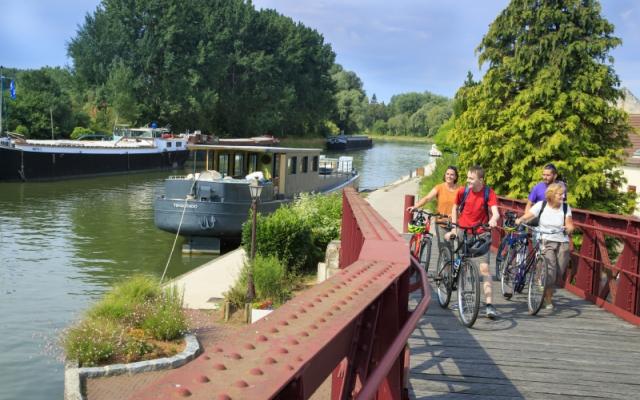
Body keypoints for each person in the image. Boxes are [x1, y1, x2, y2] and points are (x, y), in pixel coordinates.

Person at [446, 165, 500, 319]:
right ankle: (459, 295)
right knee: (461, 263)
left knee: (484, 269)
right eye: (467, 177)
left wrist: (493, 220)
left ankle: (489, 305)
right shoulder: (463, 191)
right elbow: (455, 207)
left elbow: (495, 212)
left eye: (471, 178)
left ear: (481, 180)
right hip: (463, 230)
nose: (468, 180)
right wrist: (455, 228)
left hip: (481, 232)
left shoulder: (489, 193)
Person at [515, 183, 575, 310]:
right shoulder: (541, 205)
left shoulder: (565, 207)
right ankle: (547, 298)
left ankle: (542, 282)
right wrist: (520, 220)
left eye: (563, 194)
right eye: (560, 194)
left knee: (559, 271)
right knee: (550, 271)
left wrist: (569, 229)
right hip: (545, 240)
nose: (563, 196)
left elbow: (570, 224)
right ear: (552, 195)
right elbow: (528, 215)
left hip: (562, 242)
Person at [407, 166, 460, 246]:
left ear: (455, 177)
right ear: (445, 175)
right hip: (441, 223)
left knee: (457, 249)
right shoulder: (439, 187)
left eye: (452, 174)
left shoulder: (460, 189)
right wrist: (415, 206)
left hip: (456, 224)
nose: (449, 176)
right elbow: (427, 198)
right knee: (444, 249)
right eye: (447, 174)